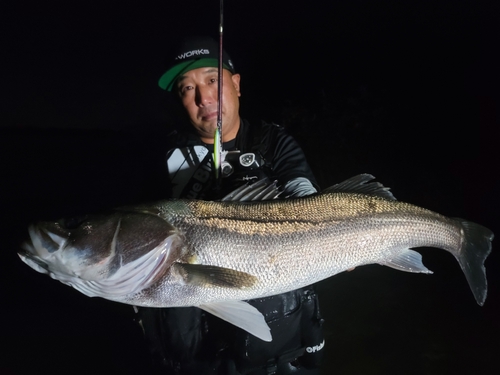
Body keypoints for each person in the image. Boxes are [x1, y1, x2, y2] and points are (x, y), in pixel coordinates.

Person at [138, 36, 325, 375]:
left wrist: (338, 236)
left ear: (236, 85)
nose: (203, 98)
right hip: (195, 343)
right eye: (186, 89)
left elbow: (304, 193)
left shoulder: (274, 142)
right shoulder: (162, 157)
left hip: (275, 337)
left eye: (212, 80)